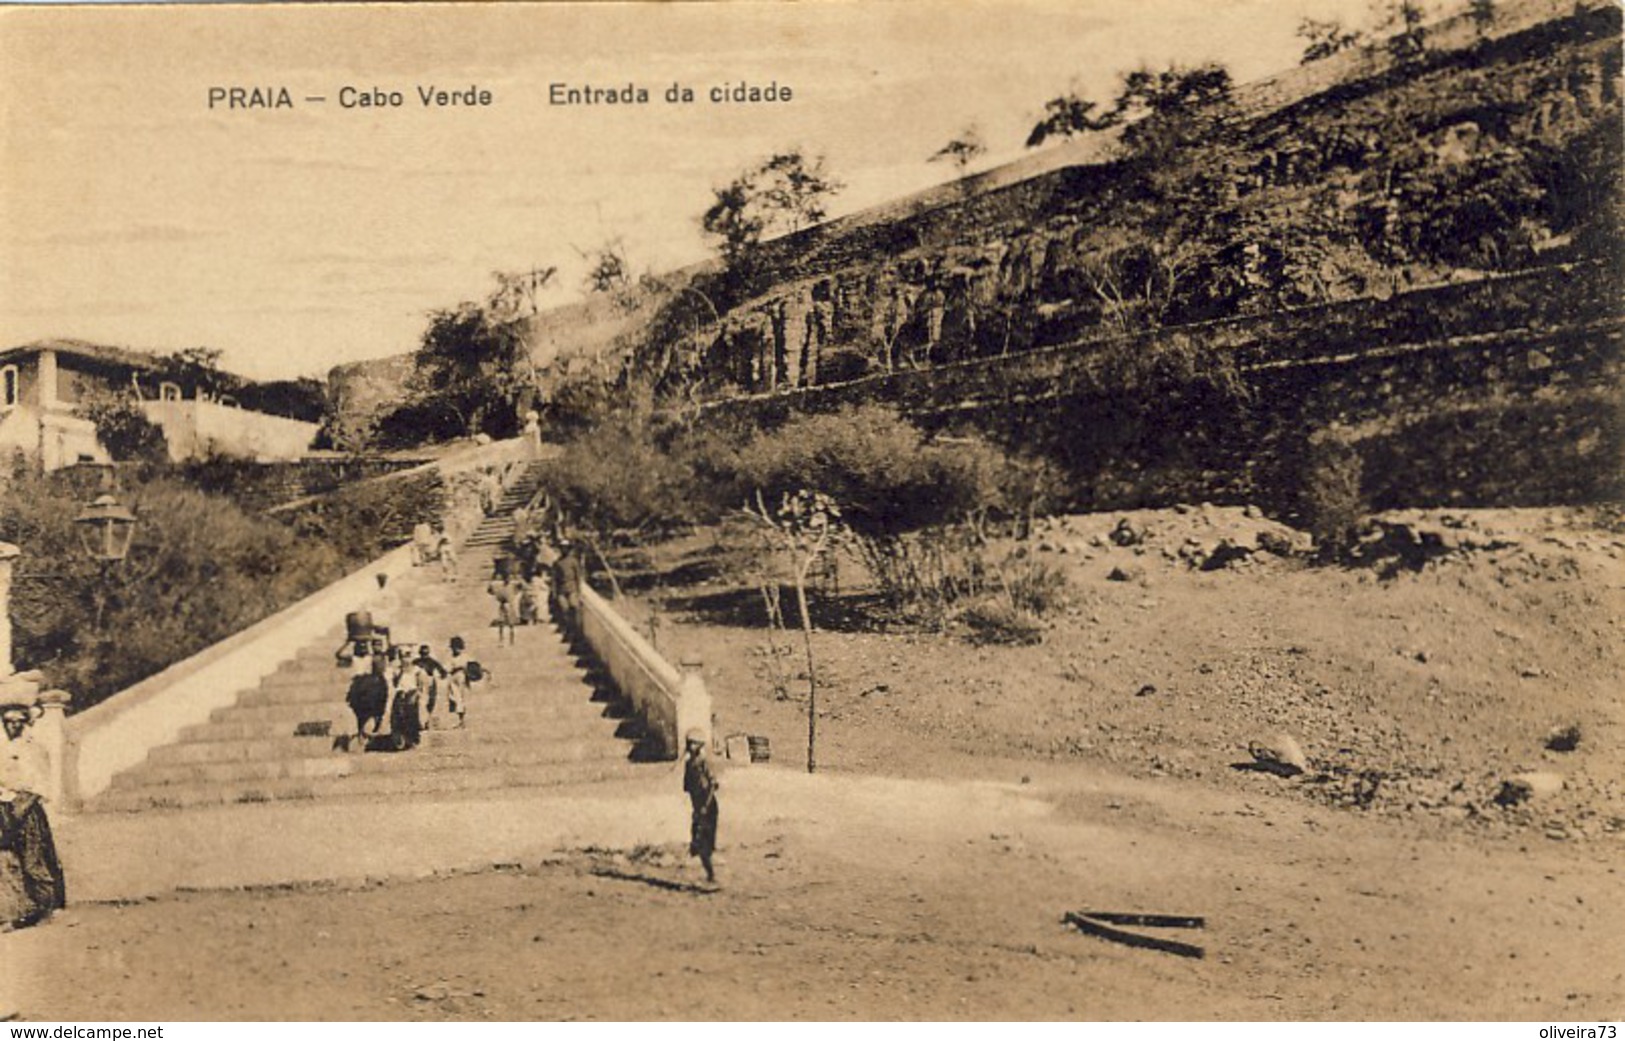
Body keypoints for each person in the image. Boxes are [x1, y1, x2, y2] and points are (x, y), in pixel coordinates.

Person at [0, 704, 66, 930]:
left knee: (34, 859)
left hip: (27, 808)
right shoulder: (3, 747)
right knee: (8, 860)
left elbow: (40, 783)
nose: (14, 725)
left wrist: (21, 806)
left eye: (19, 720)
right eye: (9, 720)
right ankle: (18, 912)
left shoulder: (33, 748)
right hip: (5, 806)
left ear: (25, 722)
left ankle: (47, 907)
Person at [681, 730, 720, 886]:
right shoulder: (689, 764)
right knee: (696, 844)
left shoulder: (705, 762)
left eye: (694, 743)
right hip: (697, 806)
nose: (691, 746)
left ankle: (711, 877)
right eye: (689, 743)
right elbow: (688, 788)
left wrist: (705, 806)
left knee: (704, 845)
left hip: (708, 806)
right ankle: (709, 876)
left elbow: (713, 785)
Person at [487, 567, 519, 646]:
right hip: (504, 604)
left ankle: (511, 640)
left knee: (510, 624)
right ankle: (503, 640)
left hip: (508, 604)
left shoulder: (511, 584)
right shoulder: (500, 585)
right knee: (502, 623)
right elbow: (490, 590)